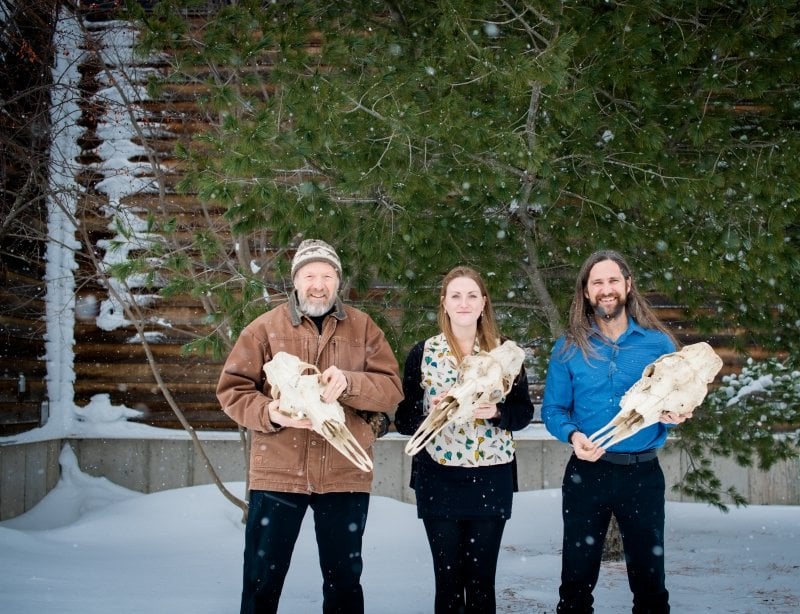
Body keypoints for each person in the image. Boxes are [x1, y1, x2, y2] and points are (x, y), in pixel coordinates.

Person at [216, 238, 403, 614]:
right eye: (310, 275)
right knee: (261, 580)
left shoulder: (364, 329)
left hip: (343, 474)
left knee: (344, 582)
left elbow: (391, 390)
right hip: (278, 474)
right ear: (296, 281)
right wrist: (271, 413)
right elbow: (232, 390)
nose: (319, 284)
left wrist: (350, 384)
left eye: (327, 275)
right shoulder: (264, 329)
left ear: (338, 281)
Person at [541, 249, 694, 614]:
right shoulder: (568, 347)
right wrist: (572, 436)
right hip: (586, 473)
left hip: (641, 474)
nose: (606, 289)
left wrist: (677, 412)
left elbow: (678, 398)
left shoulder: (657, 345)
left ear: (627, 285)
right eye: (597, 282)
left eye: (613, 280)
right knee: (575, 584)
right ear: (586, 292)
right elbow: (553, 409)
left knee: (650, 584)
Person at [394, 266, 535, 614]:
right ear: (444, 303)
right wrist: (432, 412)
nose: (464, 303)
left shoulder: (504, 354)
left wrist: (497, 412)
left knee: (481, 582)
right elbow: (402, 418)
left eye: (472, 295)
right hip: (438, 477)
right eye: (455, 295)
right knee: (449, 582)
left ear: (483, 303)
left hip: (491, 475)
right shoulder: (423, 353)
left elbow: (524, 413)